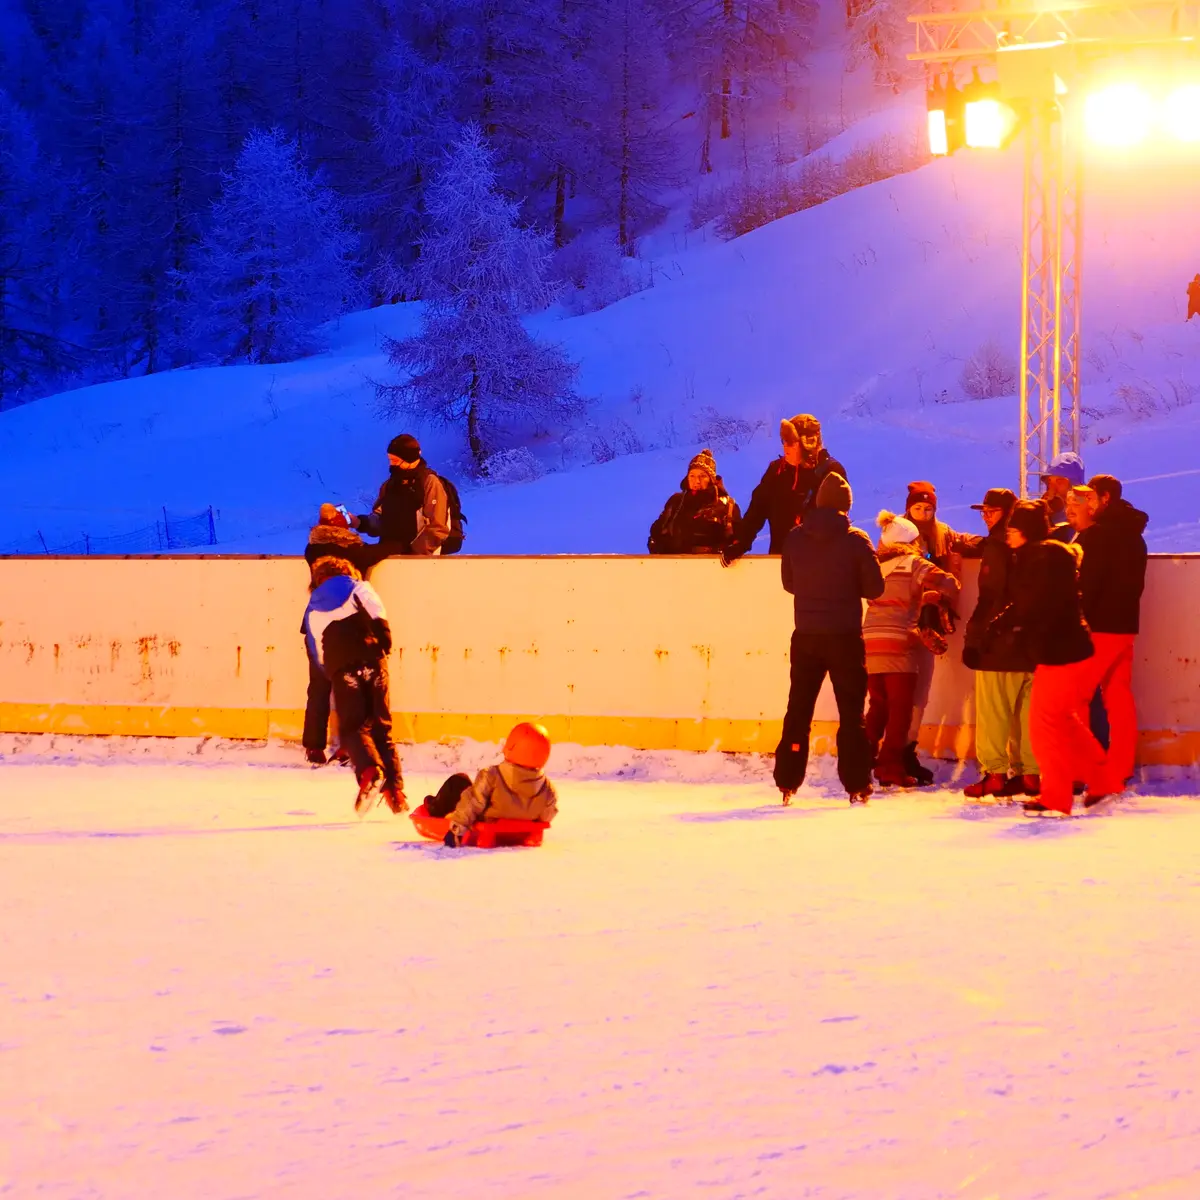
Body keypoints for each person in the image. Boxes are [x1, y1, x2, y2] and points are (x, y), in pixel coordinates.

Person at [990, 500, 1117, 816]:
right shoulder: (1045, 554)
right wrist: (1006, 623)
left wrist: (1014, 630)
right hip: (1068, 650)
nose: (1008, 536)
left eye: (1012, 530)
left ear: (1025, 531)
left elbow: (1037, 606)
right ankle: (1102, 780)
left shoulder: (1041, 557)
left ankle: (1057, 796)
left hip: (1059, 653)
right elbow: (1030, 603)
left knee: (1045, 727)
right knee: (1063, 722)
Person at [774, 472, 885, 805]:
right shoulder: (856, 540)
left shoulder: (795, 537)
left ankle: (787, 781)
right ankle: (856, 783)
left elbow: (789, 583)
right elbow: (875, 589)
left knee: (798, 710)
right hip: (845, 638)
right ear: (846, 507)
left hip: (805, 636)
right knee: (852, 714)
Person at [302, 557, 407, 815]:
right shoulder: (360, 588)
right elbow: (377, 613)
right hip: (374, 661)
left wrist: (330, 671)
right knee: (382, 728)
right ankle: (396, 793)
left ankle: (370, 772)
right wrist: (385, 642)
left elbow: (316, 650)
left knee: (353, 728)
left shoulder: (313, 609)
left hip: (343, 669)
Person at [863, 512, 959, 787]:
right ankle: (890, 766)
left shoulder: (875, 567)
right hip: (899, 642)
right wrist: (934, 597)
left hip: (870, 640)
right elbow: (950, 584)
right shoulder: (915, 564)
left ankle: (862, 758)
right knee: (900, 709)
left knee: (878, 705)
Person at [959, 487, 1040, 799]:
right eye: (984, 511)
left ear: (1007, 513)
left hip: (998, 644)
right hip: (1032, 646)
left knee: (994, 712)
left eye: (991, 511)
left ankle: (994, 774)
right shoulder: (1039, 546)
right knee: (1028, 714)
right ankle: (1030, 775)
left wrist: (974, 637)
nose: (985, 516)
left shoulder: (997, 545)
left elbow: (990, 597)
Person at [900, 481, 981, 784]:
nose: (922, 513)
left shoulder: (942, 533)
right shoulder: (897, 534)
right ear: (908, 508)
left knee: (920, 691)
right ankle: (889, 751)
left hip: (929, 623)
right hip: (901, 621)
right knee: (896, 692)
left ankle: (907, 748)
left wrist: (993, 542)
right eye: (917, 507)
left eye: (928, 508)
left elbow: (963, 541)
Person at [1076, 474, 1149, 789]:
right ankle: (1120, 767)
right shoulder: (1135, 535)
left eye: (1091, 497)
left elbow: (1087, 586)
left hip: (1097, 628)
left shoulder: (1097, 536)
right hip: (1125, 626)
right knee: (1119, 698)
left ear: (1105, 498)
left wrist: (1078, 619)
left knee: (1077, 697)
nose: (1087, 502)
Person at [301, 505, 373, 765]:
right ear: (339, 525)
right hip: (347, 625)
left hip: (316, 624)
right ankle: (349, 746)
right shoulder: (355, 551)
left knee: (318, 687)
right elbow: (389, 547)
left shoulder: (312, 550)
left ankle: (313, 747)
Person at [721, 414, 846, 562]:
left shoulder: (830, 472)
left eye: (791, 442)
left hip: (821, 563)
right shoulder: (776, 471)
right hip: (780, 561)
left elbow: (836, 522)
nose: (785, 446)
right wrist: (740, 542)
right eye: (784, 441)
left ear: (808, 444)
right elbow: (757, 511)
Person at [439, 722, 559, 848]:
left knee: (458, 781)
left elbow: (473, 802)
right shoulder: (547, 789)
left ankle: (433, 806)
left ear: (512, 747)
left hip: (485, 828)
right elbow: (546, 816)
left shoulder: (492, 775)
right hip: (521, 834)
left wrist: (456, 829)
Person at [352, 434, 450, 564]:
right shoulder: (389, 485)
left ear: (410, 459)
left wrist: (411, 554)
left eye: (396, 461)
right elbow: (379, 519)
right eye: (390, 460)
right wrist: (359, 522)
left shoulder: (429, 483)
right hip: (390, 554)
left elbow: (438, 528)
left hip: (417, 560)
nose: (392, 465)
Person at [648, 449, 741, 554]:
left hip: (713, 568)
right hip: (676, 566)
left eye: (702, 476)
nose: (697, 481)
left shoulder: (728, 506)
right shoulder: (675, 502)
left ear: (711, 479)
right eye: (692, 475)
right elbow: (656, 533)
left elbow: (740, 541)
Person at [1039, 451, 1085, 538]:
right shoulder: (1046, 511)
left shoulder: (1091, 513)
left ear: (1074, 485)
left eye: (1059, 482)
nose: (1053, 489)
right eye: (1049, 482)